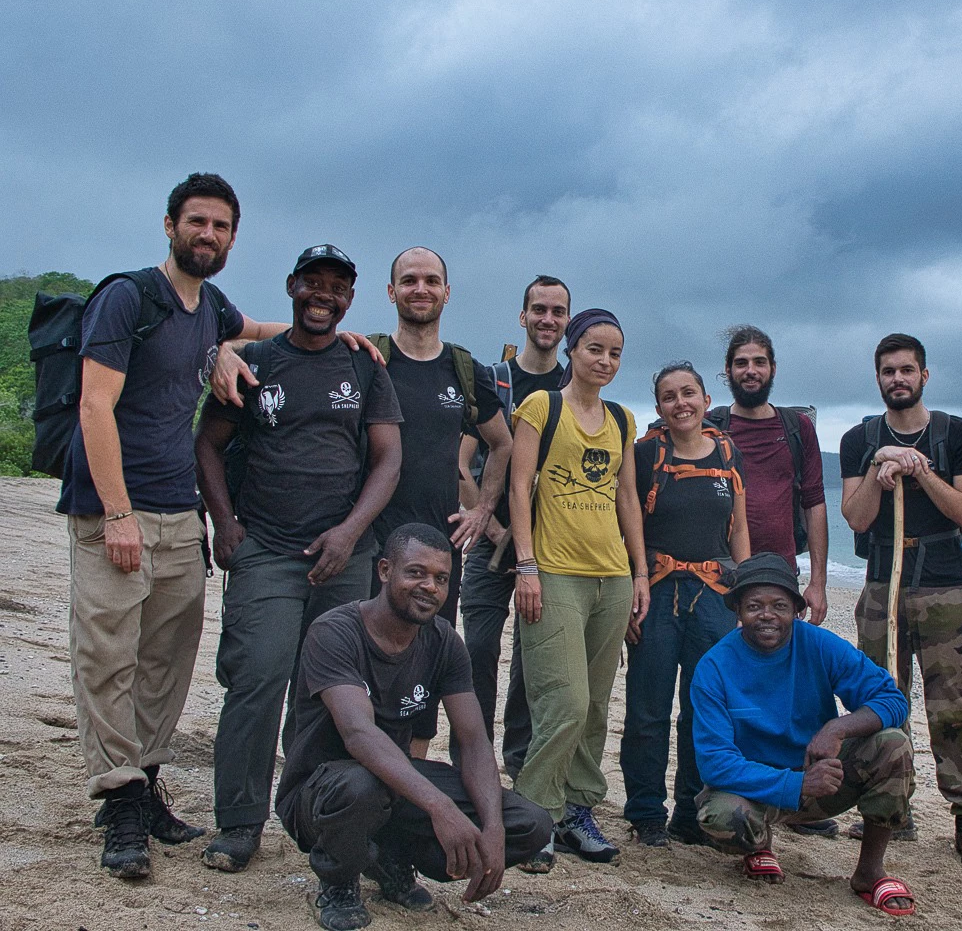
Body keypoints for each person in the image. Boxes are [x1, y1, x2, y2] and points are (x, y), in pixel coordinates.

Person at [59, 172, 317, 878]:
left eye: (222, 227)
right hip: (115, 508)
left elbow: (255, 329)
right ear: (169, 225)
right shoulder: (127, 297)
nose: (208, 236)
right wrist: (115, 513)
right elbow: (93, 407)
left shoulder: (210, 308)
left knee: (165, 664)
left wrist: (340, 336)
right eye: (197, 223)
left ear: (233, 238)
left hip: (181, 513)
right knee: (108, 655)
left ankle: (142, 782)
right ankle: (117, 802)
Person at [194, 244, 403, 873]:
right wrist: (226, 524)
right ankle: (238, 822)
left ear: (350, 300)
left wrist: (349, 533)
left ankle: (312, 814)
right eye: (313, 282)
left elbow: (388, 458)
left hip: (346, 557)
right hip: (268, 552)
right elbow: (208, 444)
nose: (323, 295)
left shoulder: (366, 368)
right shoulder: (256, 361)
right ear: (291, 286)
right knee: (257, 680)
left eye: (337, 287)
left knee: (333, 692)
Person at [274, 523, 551, 931]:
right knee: (360, 787)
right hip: (321, 790)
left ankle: (387, 857)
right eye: (416, 572)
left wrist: (492, 827)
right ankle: (338, 880)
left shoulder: (444, 642)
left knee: (530, 824)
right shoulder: (334, 632)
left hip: (393, 785)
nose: (430, 588)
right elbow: (359, 736)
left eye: (441, 578)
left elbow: (473, 741)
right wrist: (439, 807)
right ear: (385, 571)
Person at [839, 332, 962, 868]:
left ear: (924, 375)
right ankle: (891, 807)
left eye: (907, 370)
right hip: (883, 585)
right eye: (888, 372)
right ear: (878, 378)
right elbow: (855, 518)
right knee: (883, 702)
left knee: (954, 705)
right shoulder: (860, 437)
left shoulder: (958, 435)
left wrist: (919, 469)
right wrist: (879, 469)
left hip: (944, 586)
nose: (898, 379)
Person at [691, 553, 918, 917]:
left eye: (779, 605)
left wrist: (837, 727)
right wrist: (796, 786)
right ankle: (758, 847)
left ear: (796, 610)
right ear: (737, 611)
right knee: (721, 817)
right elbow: (715, 764)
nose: (767, 615)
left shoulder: (819, 645)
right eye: (754, 606)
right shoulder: (714, 668)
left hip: (822, 778)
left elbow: (892, 699)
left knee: (894, 744)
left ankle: (869, 871)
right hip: (757, 790)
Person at [507, 308, 649, 870]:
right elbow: (520, 486)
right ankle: (533, 814)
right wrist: (525, 565)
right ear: (572, 349)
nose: (605, 361)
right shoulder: (541, 406)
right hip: (553, 571)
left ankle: (576, 811)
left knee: (592, 705)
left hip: (611, 577)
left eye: (615, 352)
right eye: (595, 349)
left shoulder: (621, 418)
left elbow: (628, 498)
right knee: (560, 701)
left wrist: (639, 573)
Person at [619, 362, 750, 848]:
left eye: (689, 393)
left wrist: (747, 592)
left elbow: (738, 528)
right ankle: (646, 812)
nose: (681, 404)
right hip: (656, 590)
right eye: (670, 397)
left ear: (706, 399)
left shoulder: (729, 452)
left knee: (702, 708)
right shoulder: (645, 452)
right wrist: (635, 581)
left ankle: (691, 812)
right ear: (658, 409)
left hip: (716, 595)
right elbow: (628, 515)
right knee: (648, 706)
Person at [455, 276, 571, 776]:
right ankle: (472, 759)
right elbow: (460, 464)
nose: (548, 319)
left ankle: (519, 760)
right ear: (522, 317)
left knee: (531, 663)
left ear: (568, 322)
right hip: (488, 543)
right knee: (477, 652)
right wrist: (496, 529)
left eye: (558, 312)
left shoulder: (575, 387)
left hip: (549, 549)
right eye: (539, 309)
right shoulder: (491, 379)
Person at [369, 246, 510, 627]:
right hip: (368, 541)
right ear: (390, 291)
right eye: (409, 280)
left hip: (437, 548)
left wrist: (481, 511)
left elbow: (502, 442)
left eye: (432, 281)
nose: (421, 289)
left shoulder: (465, 370)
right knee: (361, 653)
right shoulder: (368, 360)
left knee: (427, 658)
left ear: (446, 292)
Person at [710, 326, 829, 625]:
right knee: (719, 667)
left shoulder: (798, 428)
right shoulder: (710, 428)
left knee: (774, 664)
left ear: (773, 369)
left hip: (780, 574)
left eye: (759, 362)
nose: (751, 371)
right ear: (728, 370)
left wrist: (818, 582)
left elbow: (814, 504)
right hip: (717, 574)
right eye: (741, 363)